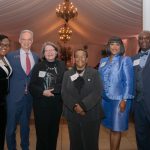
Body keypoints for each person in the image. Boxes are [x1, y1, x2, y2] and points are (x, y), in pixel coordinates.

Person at [61, 48, 103, 150]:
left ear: (87, 59)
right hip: (73, 114)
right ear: (74, 59)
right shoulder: (67, 74)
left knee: (91, 143)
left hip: (91, 114)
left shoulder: (95, 73)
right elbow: (64, 92)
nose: (80, 58)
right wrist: (76, 106)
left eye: (83, 56)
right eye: (77, 56)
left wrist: (83, 106)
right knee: (75, 143)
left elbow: (97, 91)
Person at [98, 36, 134, 150]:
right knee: (110, 127)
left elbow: (129, 82)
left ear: (121, 47)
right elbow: (99, 79)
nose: (114, 47)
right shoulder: (103, 61)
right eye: (112, 44)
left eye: (117, 44)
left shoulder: (125, 60)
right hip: (105, 100)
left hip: (119, 100)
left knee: (116, 129)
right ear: (108, 46)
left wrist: (124, 100)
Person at [29, 41, 66, 150]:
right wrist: (42, 92)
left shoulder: (62, 65)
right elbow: (32, 85)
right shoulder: (38, 66)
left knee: (53, 133)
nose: (49, 52)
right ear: (43, 53)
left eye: (52, 50)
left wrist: (54, 90)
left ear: (56, 52)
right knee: (41, 134)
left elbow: (65, 83)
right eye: (47, 50)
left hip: (56, 105)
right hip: (41, 105)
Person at [6, 30, 39, 150]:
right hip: (13, 98)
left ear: (32, 41)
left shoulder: (36, 57)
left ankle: (25, 147)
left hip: (28, 98)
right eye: (23, 39)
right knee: (10, 129)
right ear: (19, 40)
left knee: (26, 128)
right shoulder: (10, 56)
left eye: (29, 39)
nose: (26, 42)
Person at [132, 30, 150, 150]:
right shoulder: (133, 58)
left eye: (146, 38)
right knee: (141, 134)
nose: (143, 40)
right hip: (137, 104)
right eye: (141, 38)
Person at [0, 34, 12, 150]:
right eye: (2, 44)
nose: (5, 47)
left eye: (7, 45)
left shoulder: (5, 58)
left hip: (3, 100)